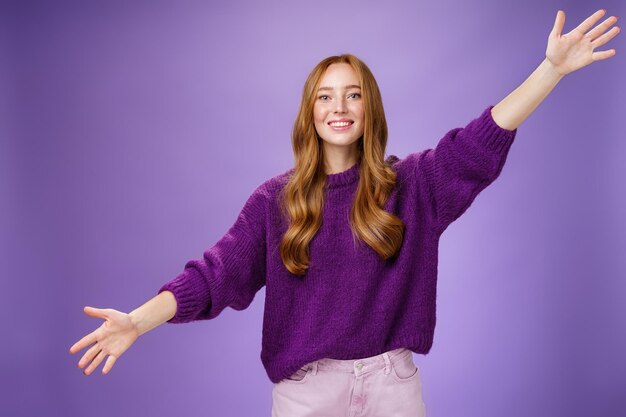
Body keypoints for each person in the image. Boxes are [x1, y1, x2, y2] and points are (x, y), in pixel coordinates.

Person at [69, 9, 619, 417]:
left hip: (392, 387)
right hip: (307, 394)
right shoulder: (275, 202)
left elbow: (483, 138)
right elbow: (214, 278)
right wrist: (137, 322)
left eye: (352, 95)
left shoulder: (414, 184)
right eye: (326, 97)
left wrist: (551, 70)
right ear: (310, 112)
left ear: (368, 109)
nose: (339, 107)